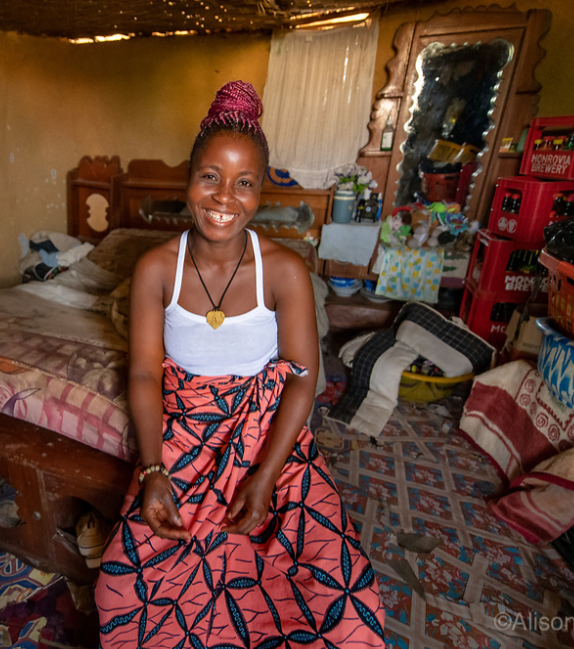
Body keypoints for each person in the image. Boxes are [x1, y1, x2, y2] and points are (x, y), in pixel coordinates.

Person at [95, 81, 385, 648]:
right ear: (188, 179)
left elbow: (304, 381)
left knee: (335, 599)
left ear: (260, 192)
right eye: (210, 177)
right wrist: (153, 471)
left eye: (244, 183)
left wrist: (267, 477)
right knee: (121, 594)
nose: (225, 197)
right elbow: (142, 374)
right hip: (182, 441)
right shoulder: (156, 268)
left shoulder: (285, 271)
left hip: (268, 442)